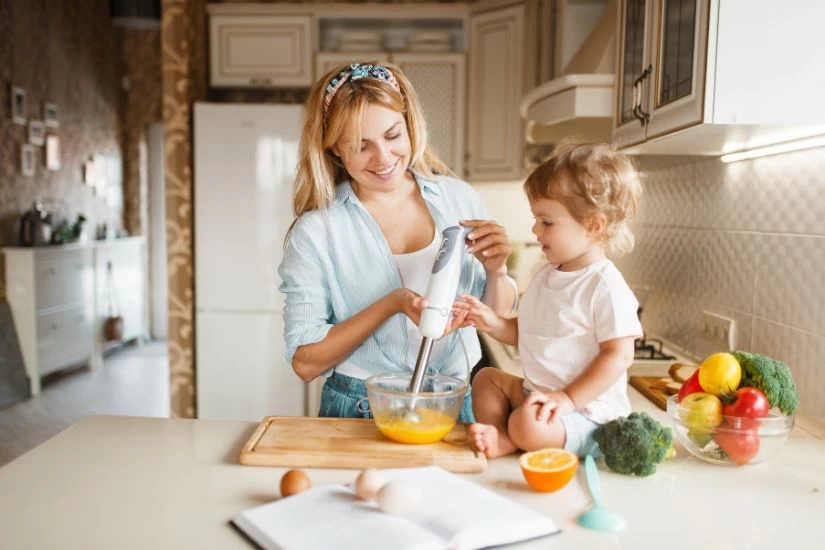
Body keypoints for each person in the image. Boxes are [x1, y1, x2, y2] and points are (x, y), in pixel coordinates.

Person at [278, 62, 517, 421]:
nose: (384, 158)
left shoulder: (459, 200)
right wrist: (392, 303)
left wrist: (496, 273)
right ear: (334, 150)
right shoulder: (317, 232)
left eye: (393, 136)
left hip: (453, 401)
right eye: (362, 146)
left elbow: (491, 318)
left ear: (410, 126)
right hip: (362, 407)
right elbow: (305, 363)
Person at [455, 140, 643, 458]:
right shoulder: (549, 273)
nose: (535, 229)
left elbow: (619, 356)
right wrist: (493, 322)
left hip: (586, 415)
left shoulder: (604, 285)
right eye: (536, 218)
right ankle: (507, 435)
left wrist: (567, 399)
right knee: (486, 379)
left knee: (527, 423)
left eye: (547, 221)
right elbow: (528, 331)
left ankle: (512, 438)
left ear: (593, 225)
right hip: (539, 397)